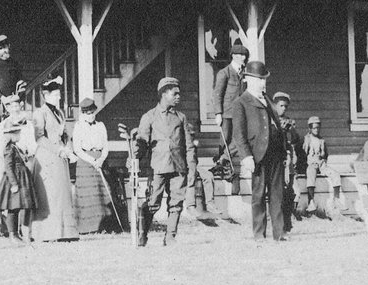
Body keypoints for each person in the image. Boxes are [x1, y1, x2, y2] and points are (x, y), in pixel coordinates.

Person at [133, 77, 199, 246]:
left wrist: (191, 168)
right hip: (158, 166)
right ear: (163, 94)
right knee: (153, 202)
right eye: (174, 93)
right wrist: (134, 157)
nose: (179, 97)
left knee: (176, 202)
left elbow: (189, 146)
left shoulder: (181, 117)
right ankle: (143, 233)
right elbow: (142, 143)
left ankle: (170, 236)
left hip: (178, 167)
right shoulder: (149, 117)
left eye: (179, 93)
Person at [230, 60, 289, 243]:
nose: (262, 83)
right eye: (258, 79)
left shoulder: (268, 100)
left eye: (264, 79)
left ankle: (279, 234)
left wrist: (284, 151)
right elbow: (238, 134)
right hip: (257, 155)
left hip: (275, 154)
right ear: (247, 79)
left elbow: (276, 126)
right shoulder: (241, 102)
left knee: (277, 194)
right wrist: (246, 156)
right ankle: (259, 234)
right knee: (258, 195)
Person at [29, 77, 80, 243]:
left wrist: (67, 148)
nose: (59, 97)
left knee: (62, 194)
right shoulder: (40, 112)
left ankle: (65, 232)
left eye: (59, 94)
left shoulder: (59, 113)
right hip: (46, 158)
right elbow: (39, 138)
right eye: (56, 94)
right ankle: (48, 233)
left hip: (60, 158)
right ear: (46, 95)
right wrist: (58, 150)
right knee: (50, 195)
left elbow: (63, 134)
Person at [0, 93, 37, 242]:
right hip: (12, 173)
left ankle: (24, 231)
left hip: (24, 168)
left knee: (25, 203)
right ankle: (12, 233)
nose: (15, 108)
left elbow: (31, 144)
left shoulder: (27, 124)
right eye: (11, 106)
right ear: (7, 108)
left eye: (17, 105)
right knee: (12, 205)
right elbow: (2, 152)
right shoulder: (4, 126)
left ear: (21, 105)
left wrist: (26, 152)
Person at [70, 97, 117, 233]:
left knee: (102, 192)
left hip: (100, 161)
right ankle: (87, 228)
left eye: (92, 113)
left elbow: (106, 146)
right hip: (86, 162)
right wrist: (92, 161)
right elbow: (77, 149)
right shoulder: (78, 127)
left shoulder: (100, 126)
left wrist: (101, 159)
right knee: (89, 195)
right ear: (83, 114)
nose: (90, 116)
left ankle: (103, 226)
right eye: (87, 113)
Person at [211, 41, 249, 193]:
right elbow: (217, 94)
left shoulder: (244, 73)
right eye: (240, 55)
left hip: (240, 114)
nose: (243, 58)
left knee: (238, 140)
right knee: (225, 141)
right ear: (233, 56)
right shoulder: (224, 73)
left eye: (244, 55)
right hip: (226, 114)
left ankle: (224, 163)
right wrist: (218, 113)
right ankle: (224, 171)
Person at [269, 91, 306, 232]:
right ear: (275, 105)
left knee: (290, 192)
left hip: (288, 160)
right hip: (276, 159)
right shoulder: (271, 120)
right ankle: (277, 224)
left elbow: (295, 140)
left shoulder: (289, 121)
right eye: (281, 105)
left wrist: (292, 130)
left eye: (286, 106)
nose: (283, 109)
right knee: (278, 192)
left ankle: (287, 222)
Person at [300, 115, 340, 218]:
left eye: (318, 127)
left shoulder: (322, 140)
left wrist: (323, 162)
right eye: (314, 128)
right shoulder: (307, 139)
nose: (316, 130)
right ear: (310, 128)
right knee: (310, 174)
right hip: (311, 163)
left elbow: (326, 154)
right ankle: (311, 201)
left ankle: (337, 199)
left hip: (321, 164)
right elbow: (303, 154)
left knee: (335, 174)